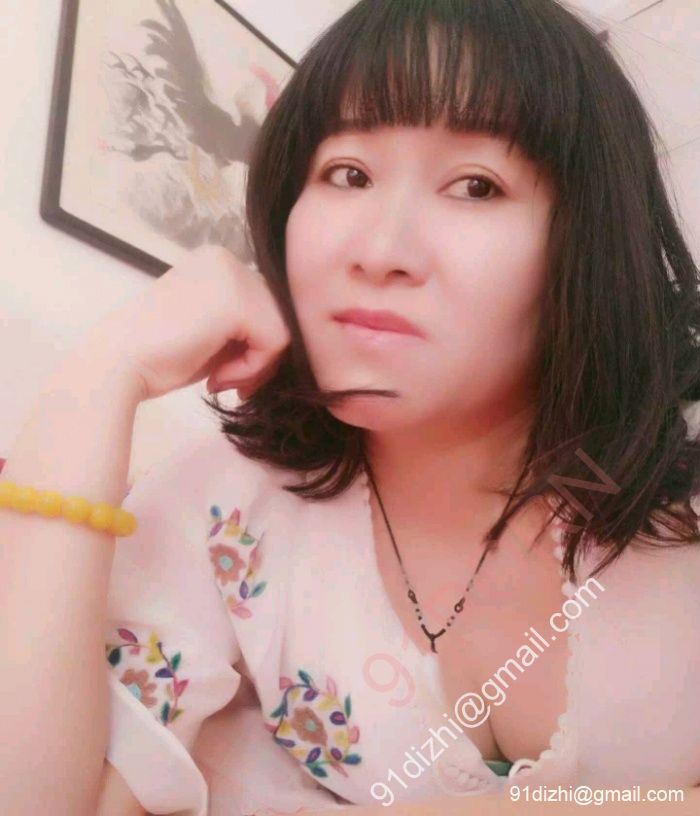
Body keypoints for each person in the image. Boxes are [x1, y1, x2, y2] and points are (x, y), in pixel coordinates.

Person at [3, 1, 700, 814]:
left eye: (476, 185)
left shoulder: (680, 470)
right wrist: (101, 375)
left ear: (587, 238)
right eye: (348, 174)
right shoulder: (225, 504)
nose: (378, 250)